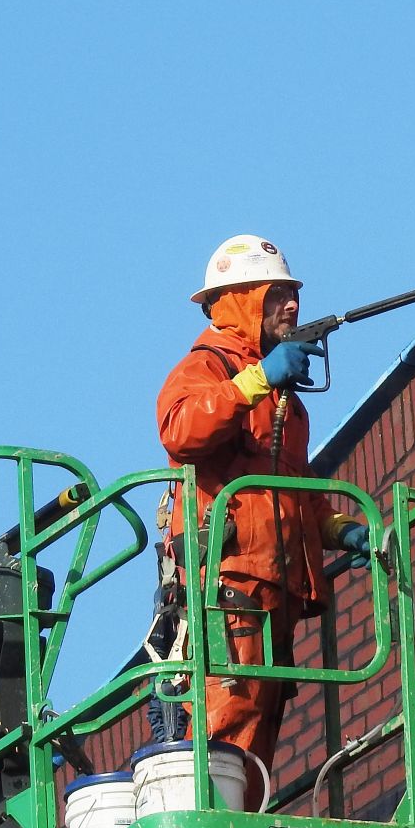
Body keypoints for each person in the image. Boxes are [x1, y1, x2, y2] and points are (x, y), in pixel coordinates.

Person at [155, 233, 369, 782]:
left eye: (291, 293)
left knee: (260, 722)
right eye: (275, 295)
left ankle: (240, 823)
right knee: (230, 709)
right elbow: (180, 428)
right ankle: (214, 821)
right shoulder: (209, 365)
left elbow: (289, 487)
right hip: (230, 583)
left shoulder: (283, 401)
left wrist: (339, 528)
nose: (291, 305)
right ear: (239, 299)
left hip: (277, 587)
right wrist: (254, 380)